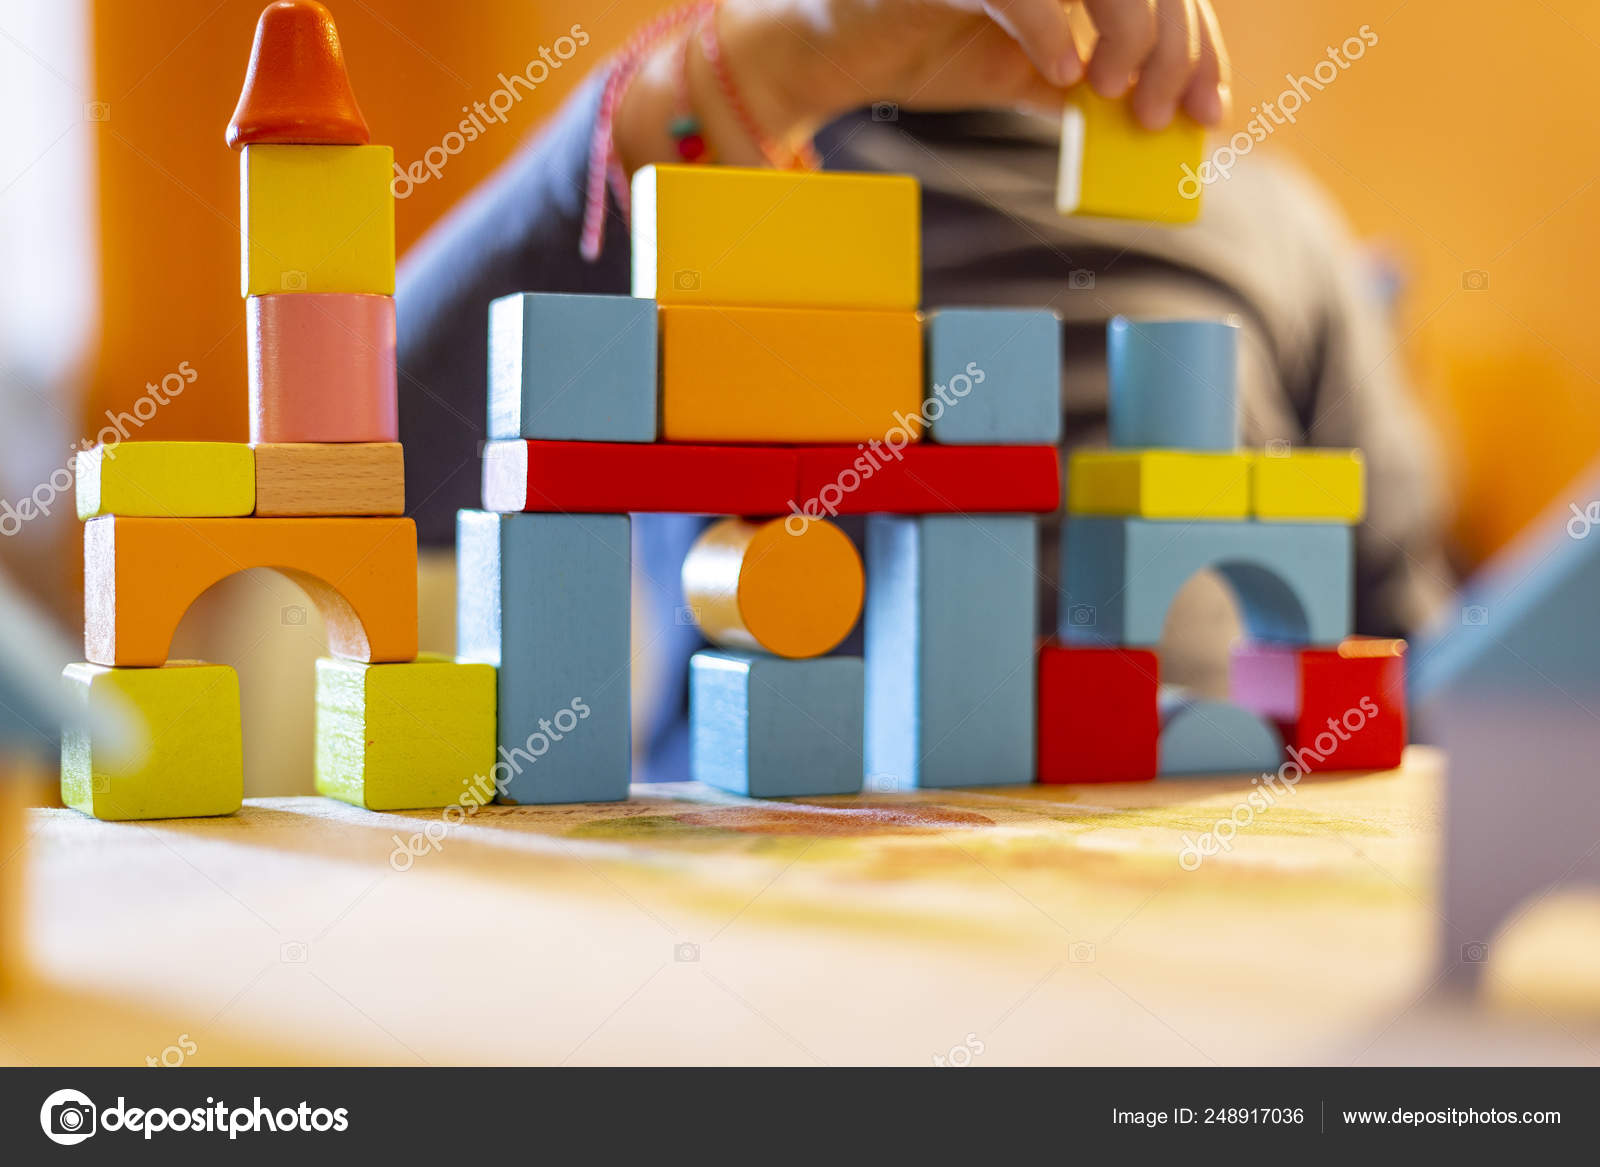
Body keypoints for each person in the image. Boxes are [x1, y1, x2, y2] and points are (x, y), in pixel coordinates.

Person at [396, 0, 1452, 779]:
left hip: (1191, 841)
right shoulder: (721, 170)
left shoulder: (1272, 223)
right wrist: (762, 73)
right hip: (767, 844)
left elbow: (1405, 646)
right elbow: (372, 469)